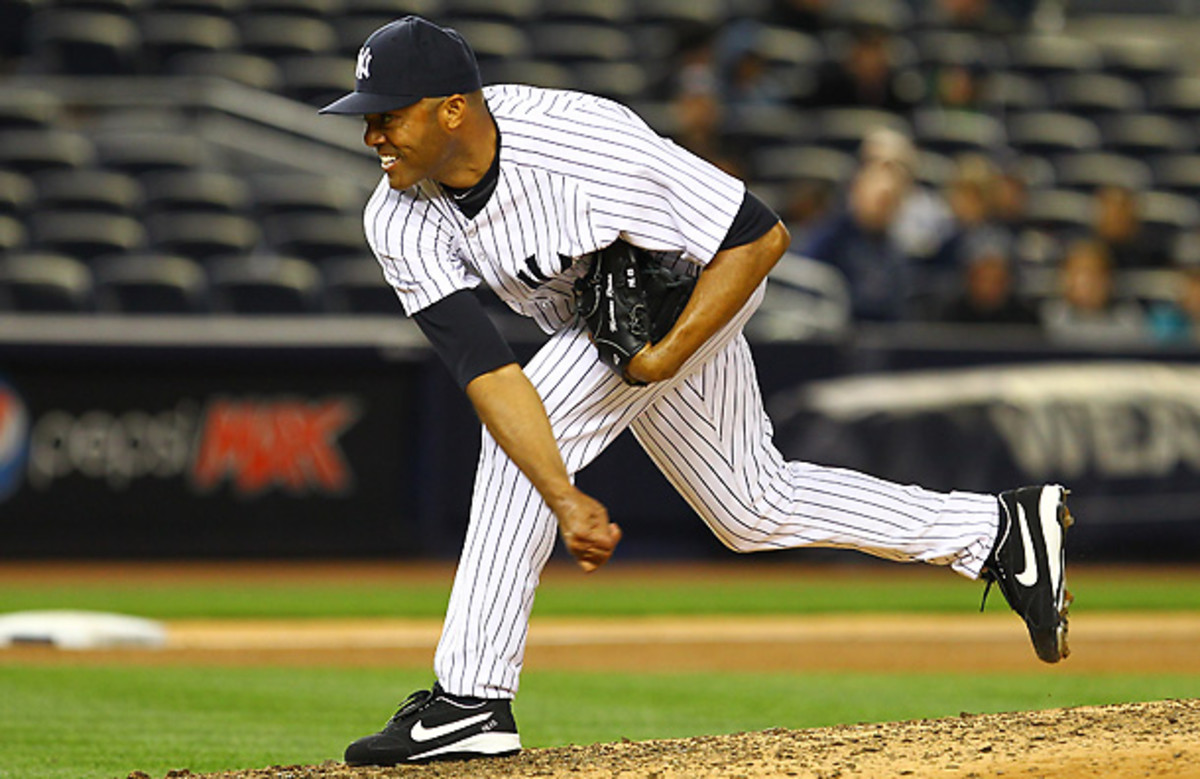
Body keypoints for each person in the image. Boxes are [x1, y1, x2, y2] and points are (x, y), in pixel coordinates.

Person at [319, 16, 1074, 767]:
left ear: (453, 108)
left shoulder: (584, 142)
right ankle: (997, 530)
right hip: (604, 324)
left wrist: (667, 354)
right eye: (366, 118)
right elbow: (488, 371)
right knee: (753, 506)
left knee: (542, 419)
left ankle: (471, 699)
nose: (372, 137)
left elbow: (757, 236)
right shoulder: (397, 215)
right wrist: (561, 491)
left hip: (698, 285)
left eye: (387, 115)